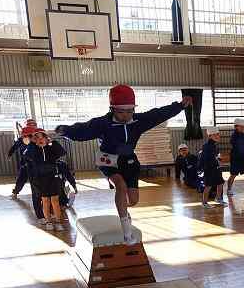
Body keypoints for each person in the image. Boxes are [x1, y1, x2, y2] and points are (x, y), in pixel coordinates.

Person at [56, 84, 192, 244]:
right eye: (121, 112)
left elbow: (159, 114)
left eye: (129, 111)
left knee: (133, 200)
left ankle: (123, 209)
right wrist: (65, 130)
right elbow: (83, 130)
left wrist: (180, 106)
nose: (126, 115)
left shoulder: (139, 121)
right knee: (120, 185)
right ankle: (127, 233)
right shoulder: (103, 123)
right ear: (112, 109)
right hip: (108, 161)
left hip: (129, 161)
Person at [21, 126, 67, 231]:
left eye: (42, 137)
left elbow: (62, 152)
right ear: (34, 140)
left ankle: (58, 222)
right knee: (45, 200)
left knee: (55, 200)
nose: (40, 139)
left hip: (53, 177)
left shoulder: (51, 148)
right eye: (37, 138)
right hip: (40, 179)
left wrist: (52, 142)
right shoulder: (34, 150)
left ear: (46, 138)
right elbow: (26, 155)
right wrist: (32, 144)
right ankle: (48, 221)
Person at [201, 127, 225, 208]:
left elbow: (215, 156)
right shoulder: (206, 146)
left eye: (218, 134)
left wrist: (218, 159)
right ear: (210, 136)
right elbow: (206, 159)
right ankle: (204, 202)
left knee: (220, 183)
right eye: (215, 135)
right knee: (208, 186)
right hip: (209, 169)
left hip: (216, 168)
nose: (217, 136)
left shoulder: (214, 145)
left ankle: (218, 198)